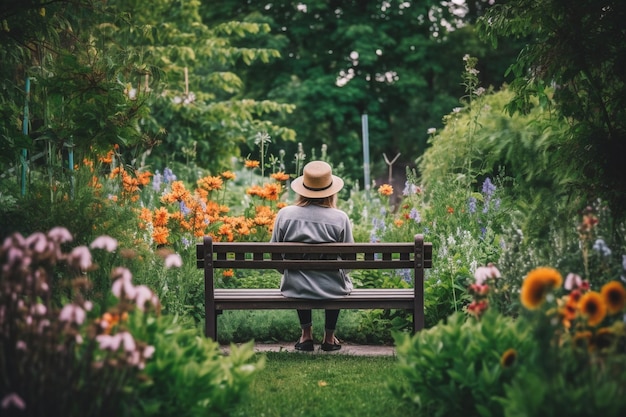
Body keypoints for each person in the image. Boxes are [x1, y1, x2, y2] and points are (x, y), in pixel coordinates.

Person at [270, 161, 354, 352]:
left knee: (300, 276)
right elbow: (349, 260)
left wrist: (289, 271)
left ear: (302, 189)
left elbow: (275, 255)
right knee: (336, 279)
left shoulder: (285, 214)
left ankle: (306, 336)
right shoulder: (340, 217)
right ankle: (330, 339)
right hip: (332, 287)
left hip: (295, 286)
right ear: (331, 190)